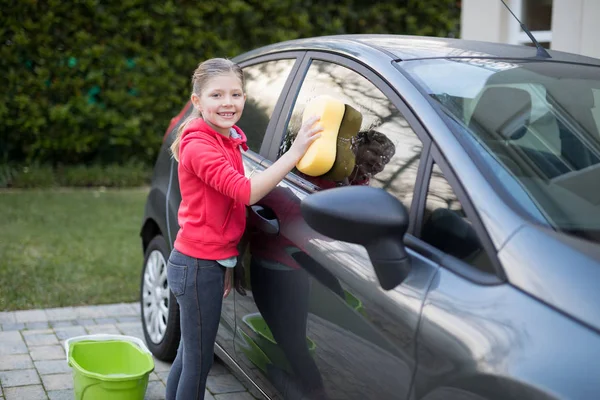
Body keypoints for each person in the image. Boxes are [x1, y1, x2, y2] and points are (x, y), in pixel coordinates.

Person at [165, 58, 322, 400]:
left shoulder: (228, 138)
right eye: (217, 95)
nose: (228, 103)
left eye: (236, 94)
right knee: (198, 361)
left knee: (189, 354)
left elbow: (231, 207)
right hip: (195, 265)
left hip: (203, 263)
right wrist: (296, 151)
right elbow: (245, 192)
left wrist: (226, 260)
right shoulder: (199, 146)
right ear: (197, 102)